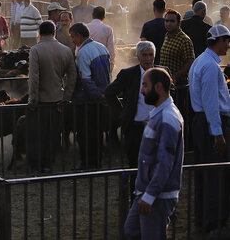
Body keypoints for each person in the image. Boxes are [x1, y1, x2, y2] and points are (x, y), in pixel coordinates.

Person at [123, 68, 184, 240]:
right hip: (147, 192)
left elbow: (164, 163)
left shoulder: (167, 119)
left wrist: (150, 195)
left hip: (157, 196)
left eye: (145, 85)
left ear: (158, 87)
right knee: (131, 230)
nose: (141, 90)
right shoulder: (159, 115)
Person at [189, 25, 230, 237]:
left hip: (202, 122)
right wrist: (218, 133)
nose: (228, 45)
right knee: (216, 174)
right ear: (218, 41)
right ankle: (215, 223)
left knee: (205, 173)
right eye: (226, 41)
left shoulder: (201, 62)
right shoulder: (210, 66)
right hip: (211, 124)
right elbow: (211, 102)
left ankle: (203, 221)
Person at [27, 21, 77, 172]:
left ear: (40, 33)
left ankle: (37, 164)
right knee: (54, 134)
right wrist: (66, 96)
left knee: (38, 134)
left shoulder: (35, 50)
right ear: (54, 32)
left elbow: (34, 77)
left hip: (41, 101)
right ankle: (49, 164)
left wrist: (32, 100)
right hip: (58, 99)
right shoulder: (66, 50)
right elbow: (72, 76)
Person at [104, 41, 160, 169]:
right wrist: (122, 114)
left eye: (151, 55)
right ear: (138, 57)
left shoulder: (162, 72)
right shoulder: (128, 74)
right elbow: (109, 92)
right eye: (144, 55)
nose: (148, 59)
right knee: (135, 164)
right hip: (136, 127)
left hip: (157, 125)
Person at [69, 22, 111, 169]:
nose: (73, 40)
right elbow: (107, 74)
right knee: (98, 132)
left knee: (84, 133)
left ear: (79, 36)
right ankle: (97, 161)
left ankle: (86, 163)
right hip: (102, 97)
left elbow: (86, 80)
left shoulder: (82, 53)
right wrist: (105, 95)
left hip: (88, 100)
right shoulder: (102, 47)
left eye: (73, 37)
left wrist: (98, 96)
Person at [87, 6, 116, 71]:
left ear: (92, 15)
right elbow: (111, 49)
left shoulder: (85, 27)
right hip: (102, 63)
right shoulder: (108, 29)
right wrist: (111, 63)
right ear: (104, 17)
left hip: (87, 61)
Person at [140, 0, 167, 65]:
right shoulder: (169, 25)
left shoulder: (147, 25)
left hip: (151, 59)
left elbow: (143, 42)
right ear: (165, 10)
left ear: (154, 9)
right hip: (166, 58)